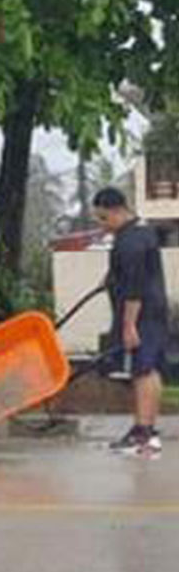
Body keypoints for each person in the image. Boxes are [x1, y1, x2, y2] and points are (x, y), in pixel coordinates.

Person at [93, 188, 167, 457]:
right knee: (145, 370)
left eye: (103, 218)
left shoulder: (130, 241)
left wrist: (128, 326)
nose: (102, 225)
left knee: (144, 370)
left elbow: (135, 287)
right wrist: (110, 278)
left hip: (142, 314)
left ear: (116, 210)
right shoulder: (139, 232)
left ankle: (144, 435)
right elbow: (131, 271)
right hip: (152, 310)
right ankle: (143, 430)